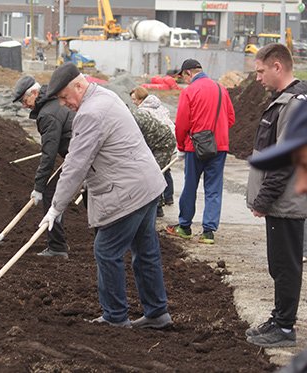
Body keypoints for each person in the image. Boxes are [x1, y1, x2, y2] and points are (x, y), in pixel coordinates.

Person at [39, 63, 172, 329]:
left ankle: (115, 317)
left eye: (65, 97)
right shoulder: (106, 96)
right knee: (145, 251)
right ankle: (157, 313)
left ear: (79, 85)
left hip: (128, 190)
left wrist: (56, 207)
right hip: (146, 186)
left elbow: (76, 165)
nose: (65, 104)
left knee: (106, 250)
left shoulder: (90, 113)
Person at [244, 43, 307, 348]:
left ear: (277, 67)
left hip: (285, 202)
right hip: (280, 202)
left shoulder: (295, 104)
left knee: (285, 266)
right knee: (279, 264)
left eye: (260, 71)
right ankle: (279, 317)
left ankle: (284, 328)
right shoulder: (283, 101)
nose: (257, 78)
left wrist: (264, 199)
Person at [165, 59, 235, 245]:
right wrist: (216, 134)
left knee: (190, 187)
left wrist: (180, 146)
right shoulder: (221, 89)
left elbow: (181, 124)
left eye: (184, 77)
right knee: (213, 189)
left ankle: (185, 227)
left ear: (188, 73)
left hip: (193, 147)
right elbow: (230, 118)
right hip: (219, 147)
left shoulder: (189, 91)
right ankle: (208, 232)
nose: (184, 81)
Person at [12, 75, 74, 258]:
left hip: (79, 157)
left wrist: (38, 187)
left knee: (49, 192)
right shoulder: (52, 102)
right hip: (78, 155)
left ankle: (57, 247)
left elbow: (49, 155)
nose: (25, 106)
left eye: (25, 100)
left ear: (35, 93)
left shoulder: (47, 114)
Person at [131, 86, 176, 208]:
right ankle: (168, 197)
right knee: (164, 169)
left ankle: (158, 206)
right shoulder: (158, 106)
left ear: (141, 99)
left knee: (155, 172)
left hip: (162, 141)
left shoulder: (144, 111)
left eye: (134, 99)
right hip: (167, 137)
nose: (133, 102)